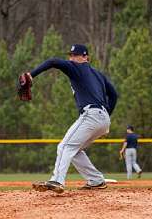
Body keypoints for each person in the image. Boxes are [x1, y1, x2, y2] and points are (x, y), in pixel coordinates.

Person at [27, 44, 118, 194]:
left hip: (91, 114)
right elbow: (113, 95)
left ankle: (57, 180)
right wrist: (106, 115)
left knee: (64, 147)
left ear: (85, 57)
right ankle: (95, 180)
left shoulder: (77, 67)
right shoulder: (98, 74)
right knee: (74, 150)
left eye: (75, 55)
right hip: (103, 118)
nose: (71, 58)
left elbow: (53, 62)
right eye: (70, 55)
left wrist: (32, 74)